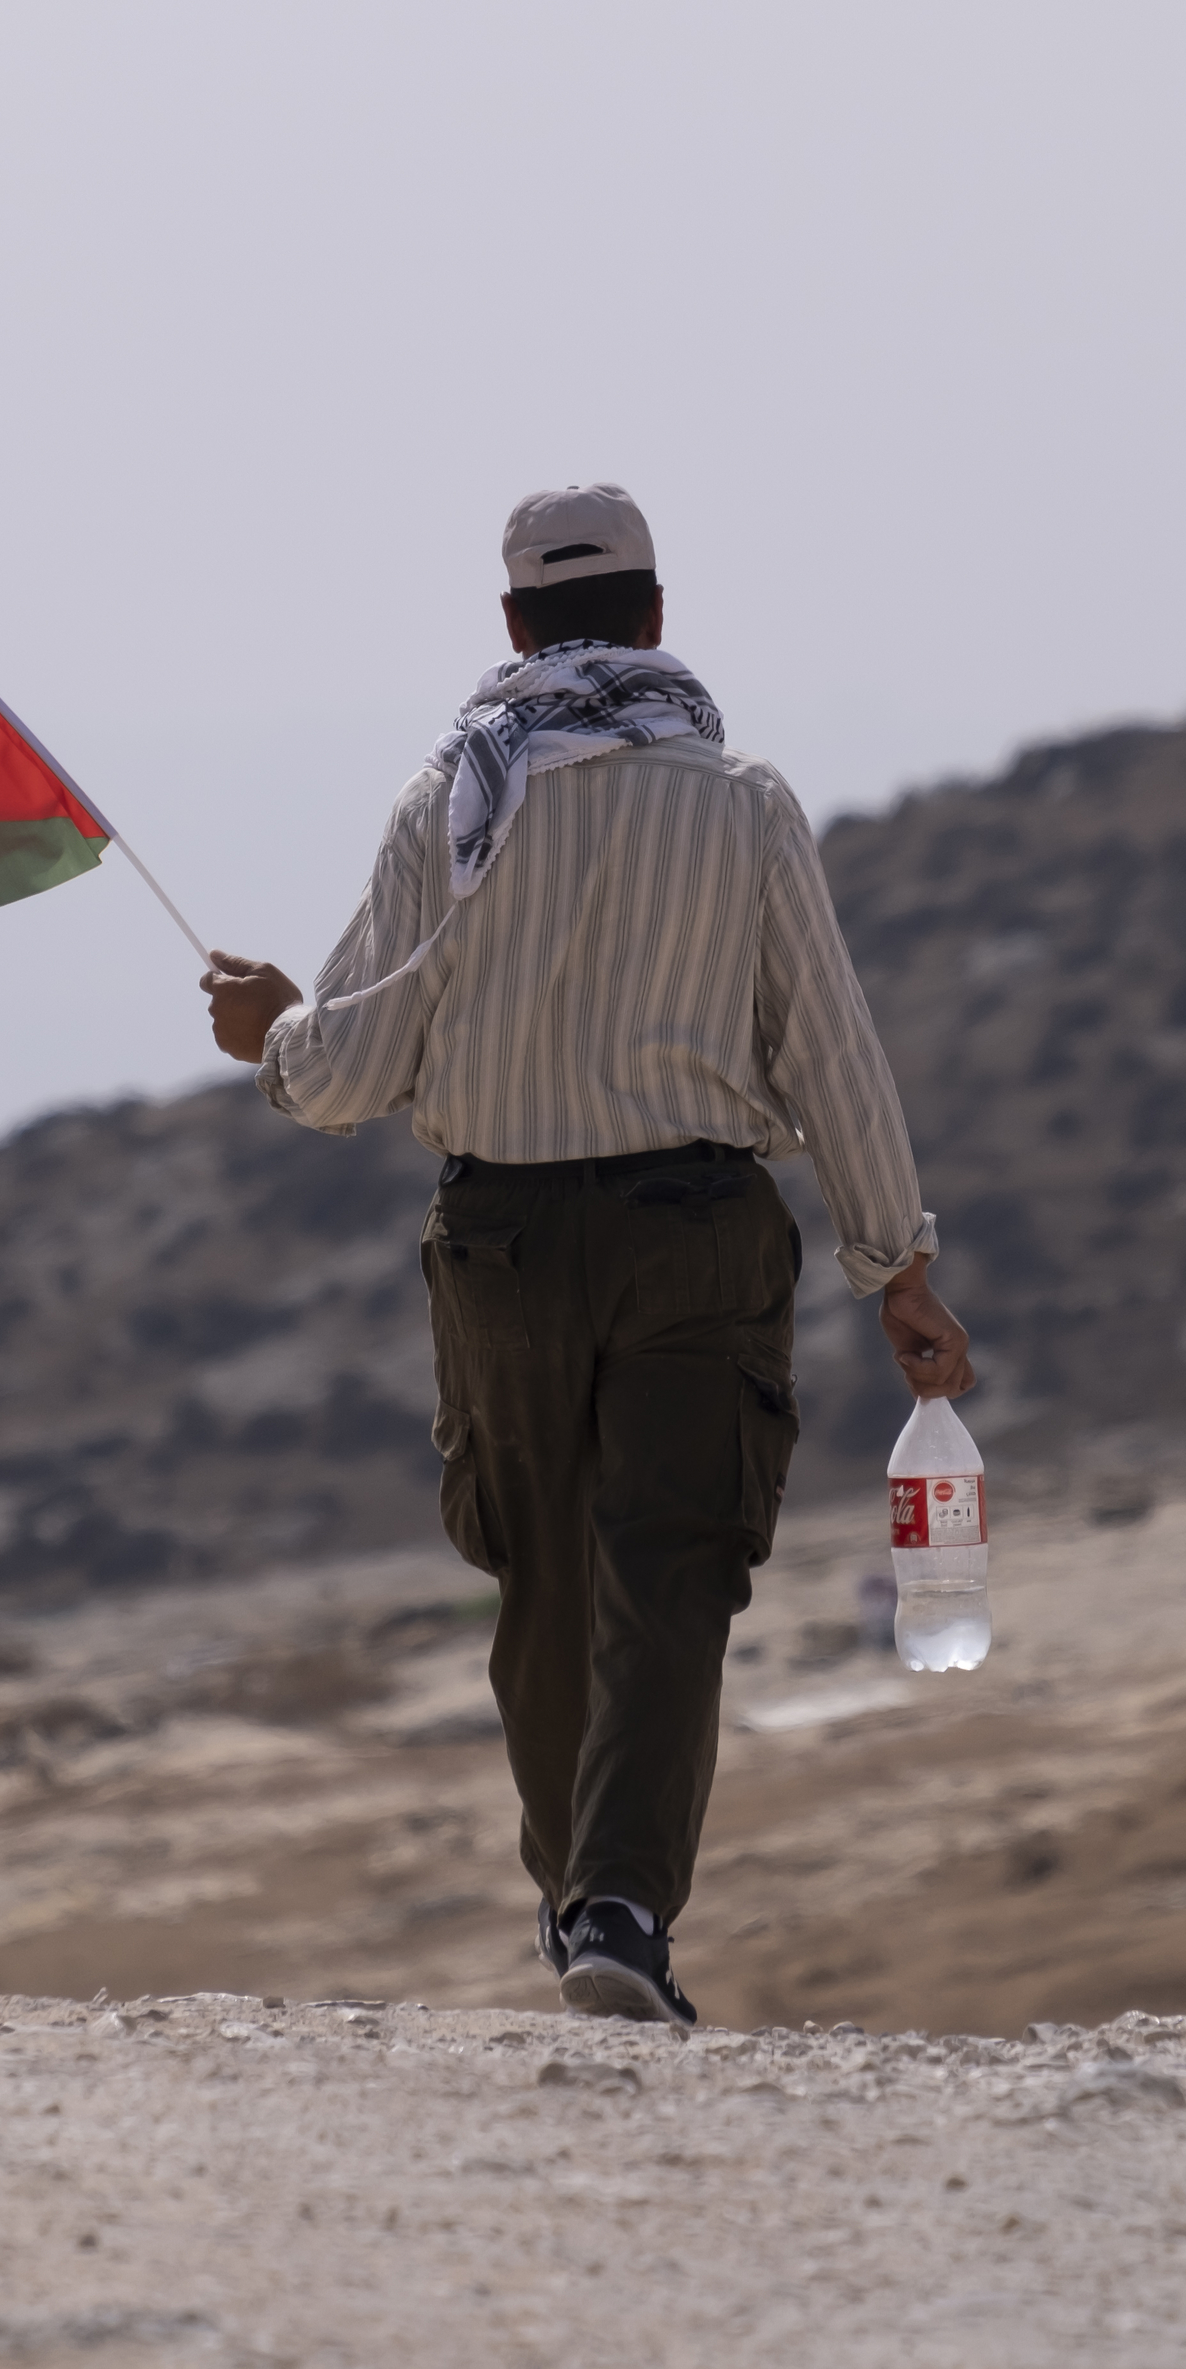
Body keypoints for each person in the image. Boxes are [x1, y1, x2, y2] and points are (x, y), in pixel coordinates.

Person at [198, 482, 971, 2026]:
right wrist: (898, 1269)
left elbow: (349, 1069)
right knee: (671, 1571)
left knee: (543, 1585)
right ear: (660, 618)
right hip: (696, 1232)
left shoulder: (450, 803)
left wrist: (268, 1036)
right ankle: (617, 1910)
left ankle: (582, 1914)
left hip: (500, 1244)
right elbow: (833, 1050)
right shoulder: (744, 802)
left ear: (510, 628)